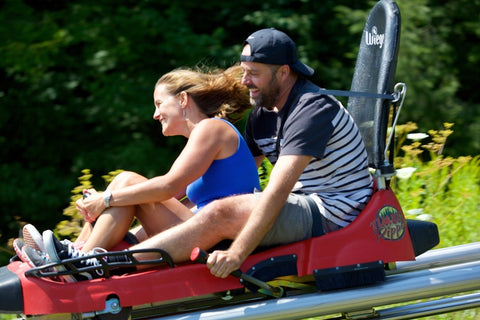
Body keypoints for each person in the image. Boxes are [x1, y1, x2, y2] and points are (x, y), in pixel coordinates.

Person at [27, 28, 373, 282]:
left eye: (254, 74)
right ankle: (80, 256)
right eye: (244, 71)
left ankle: (95, 262)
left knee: (221, 210)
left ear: (283, 72)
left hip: (334, 210)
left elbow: (277, 190)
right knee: (154, 194)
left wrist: (238, 252)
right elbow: (238, 175)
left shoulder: (311, 108)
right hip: (300, 204)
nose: (245, 81)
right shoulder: (264, 116)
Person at [19, 65, 261, 281]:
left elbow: (165, 187)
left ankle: (75, 263)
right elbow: (160, 198)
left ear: (183, 99)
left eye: (159, 104)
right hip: (206, 230)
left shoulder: (212, 129)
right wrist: (108, 212)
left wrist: (105, 199)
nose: (155, 115)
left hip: (221, 238)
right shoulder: (204, 136)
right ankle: (74, 252)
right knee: (126, 187)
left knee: (127, 181)